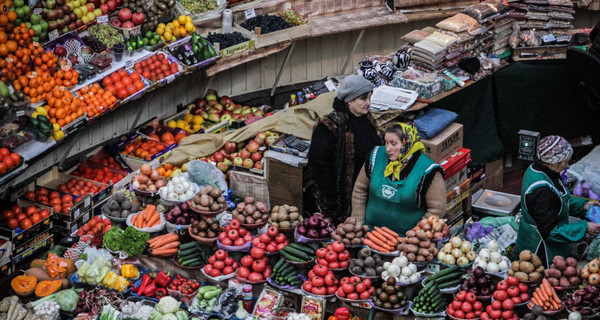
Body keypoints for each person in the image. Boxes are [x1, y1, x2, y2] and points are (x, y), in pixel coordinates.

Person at [308, 75, 384, 225]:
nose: (368, 103)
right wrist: (332, 200)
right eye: (363, 98)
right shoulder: (329, 126)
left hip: (367, 195)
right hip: (342, 204)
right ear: (349, 100)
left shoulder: (367, 119)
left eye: (370, 97)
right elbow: (319, 166)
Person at [516, 135, 600, 267]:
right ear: (552, 162)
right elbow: (551, 231)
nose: (567, 166)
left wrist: (584, 206)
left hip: (544, 237)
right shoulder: (541, 191)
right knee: (543, 279)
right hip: (539, 247)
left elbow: (557, 200)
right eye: (565, 162)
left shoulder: (542, 169)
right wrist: (585, 227)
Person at [351, 122, 446, 235]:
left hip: (405, 242)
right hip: (370, 234)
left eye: (393, 144)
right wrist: (358, 226)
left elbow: (436, 210)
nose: (388, 149)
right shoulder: (376, 157)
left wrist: (414, 237)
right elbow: (359, 190)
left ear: (407, 143)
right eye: (386, 143)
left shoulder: (428, 171)